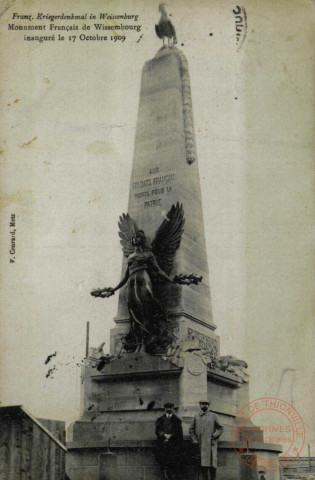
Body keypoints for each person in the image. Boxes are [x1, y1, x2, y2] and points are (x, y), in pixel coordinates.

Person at [189, 400, 224, 480]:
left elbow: (220, 428)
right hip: (200, 444)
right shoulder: (196, 416)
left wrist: (214, 436)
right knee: (202, 464)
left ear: (208, 405)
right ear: (200, 405)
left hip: (211, 443)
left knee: (212, 465)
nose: (204, 406)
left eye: (206, 404)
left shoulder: (214, 416)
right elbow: (191, 429)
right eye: (202, 404)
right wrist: (194, 439)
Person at [155, 402, 184, 480]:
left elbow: (179, 432)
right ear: (164, 409)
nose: (168, 409)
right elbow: (157, 430)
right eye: (167, 408)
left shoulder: (177, 420)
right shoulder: (160, 420)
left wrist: (170, 436)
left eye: (170, 407)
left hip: (174, 447)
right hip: (163, 447)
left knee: (174, 465)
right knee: (164, 465)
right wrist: (164, 436)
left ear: (173, 408)